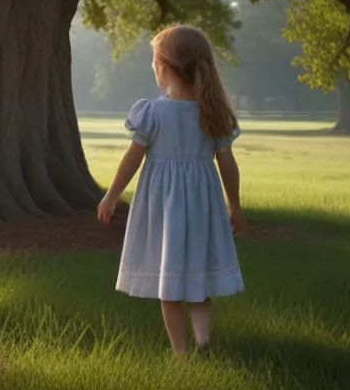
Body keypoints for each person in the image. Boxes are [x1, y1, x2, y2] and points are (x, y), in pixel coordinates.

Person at [96, 24, 246, 360]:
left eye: (154, 61)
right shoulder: (212, 112)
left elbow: (132, 160)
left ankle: (181, 354)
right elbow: (228, 166)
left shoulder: (153, 112)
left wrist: (111, 195)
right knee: (200, 280)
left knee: (170, 285)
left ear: (163, 66)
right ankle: (203, 342)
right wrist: (233, 206)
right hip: (203, 206)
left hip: (163, 207)